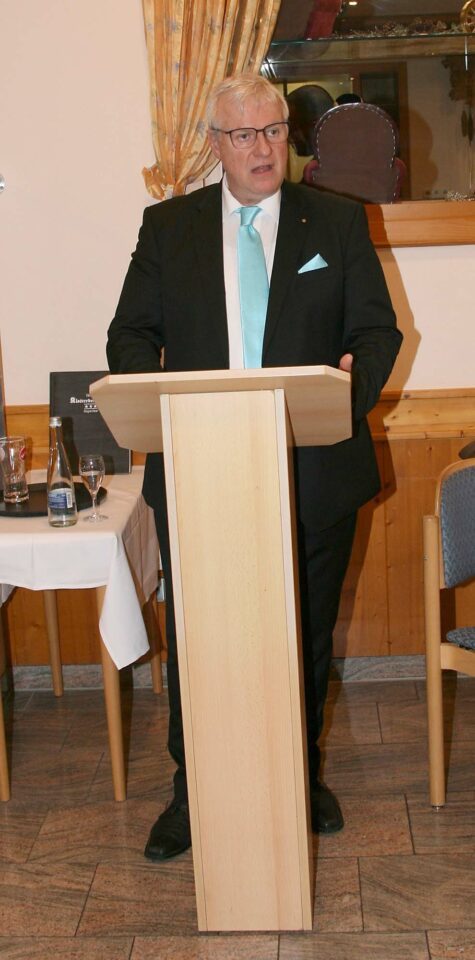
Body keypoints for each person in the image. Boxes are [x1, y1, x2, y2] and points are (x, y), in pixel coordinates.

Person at [107, 73, 402, 862]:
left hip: (315, 470)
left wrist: (346, 393)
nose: (261, 148)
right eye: (242, 135)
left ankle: (300, 776)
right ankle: (191, 793)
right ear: (215, 144)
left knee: (303, 636)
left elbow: (376, 333)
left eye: (272, 131)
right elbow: (128, 334)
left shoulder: (335, 221)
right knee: (202, 642)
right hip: (201, 470)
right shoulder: (168, 227)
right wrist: (157, 398)